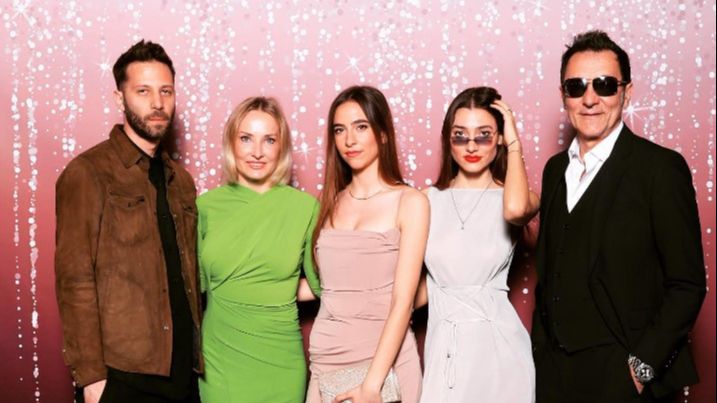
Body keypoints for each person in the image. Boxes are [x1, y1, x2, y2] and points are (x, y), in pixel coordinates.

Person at [532, 30, 706, 403]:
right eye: (576, 87)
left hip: (623, 377)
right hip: (553, 378)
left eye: (605, 85)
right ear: (563, 95)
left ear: (627, 93)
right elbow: (550, 275)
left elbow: (687, 284)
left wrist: (640, 371)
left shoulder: (660, 169)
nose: (590, 99)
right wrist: (540, 359)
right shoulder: (553, 170)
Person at [54, 40, 202, 403]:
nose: (157, 103)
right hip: (122, 376)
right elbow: (74, 279)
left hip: (183, 374)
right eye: (143, 91)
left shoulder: (181, 181)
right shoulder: (88, 172)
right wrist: (91, 377)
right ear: (120, 99)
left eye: (166, 91)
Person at [304, 85, 429, 403]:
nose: (349, 140)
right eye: (339, 130)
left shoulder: (410, 202)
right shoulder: (329, 204)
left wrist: (371, 385)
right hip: (325, 365)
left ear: (383, 133)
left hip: (383, 369)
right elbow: (327, 286)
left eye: (361, 126)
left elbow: (403, 301)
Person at [415, 87, 539, 402]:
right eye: (460, 135)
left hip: (500, 352)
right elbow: (419, 289)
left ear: (500, 138)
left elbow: (515, 210)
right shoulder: (426, 201)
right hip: (445, 351)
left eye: (484, 135)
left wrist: (514, 141)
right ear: (448, 139)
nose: (471, 146)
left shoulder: (515, 198)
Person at [197, 96, 321, 403]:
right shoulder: (204, 207)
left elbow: (323, 285)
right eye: (246, 138)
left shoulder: (305, 208)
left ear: (282, 146)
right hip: (220, 360)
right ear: (231, 142)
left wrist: (276, 289)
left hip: (280, 361)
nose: (257, 152)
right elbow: (190, 287)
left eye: (269, 140)